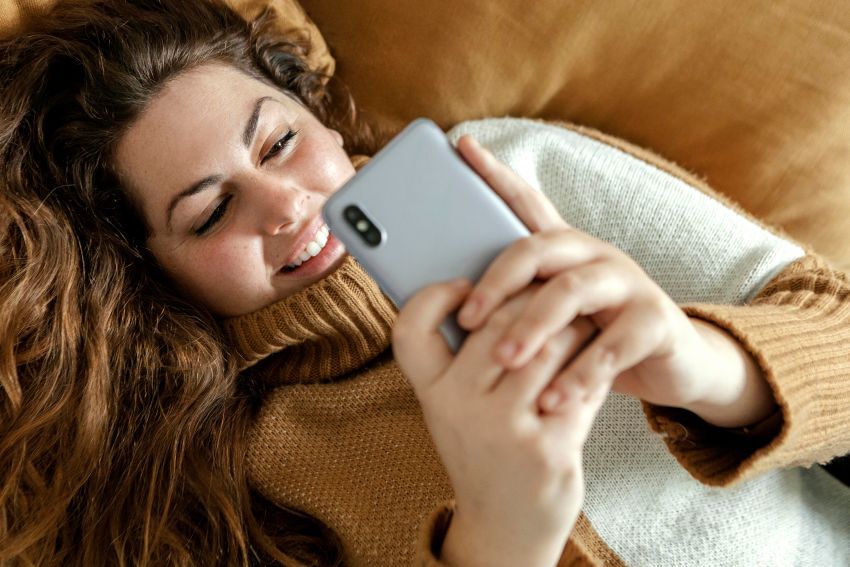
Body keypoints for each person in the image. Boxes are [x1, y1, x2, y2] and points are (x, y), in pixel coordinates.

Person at [0, 0, 848, 565]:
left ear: (323, 120)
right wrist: (503, 528)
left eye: (278, 143)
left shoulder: (519, 168)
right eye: (211, 210)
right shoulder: (242, 463)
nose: (288, 205)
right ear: (155, 274)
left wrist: (700, 366)